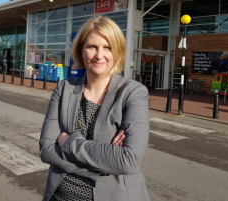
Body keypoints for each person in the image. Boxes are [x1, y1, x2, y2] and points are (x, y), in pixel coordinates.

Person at [39, 16, 150, 201]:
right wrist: (105, 161)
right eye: (92, 47)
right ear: (81, 50)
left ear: (118, 52)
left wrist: (68, 143)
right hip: (61, 196)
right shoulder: (64, 89)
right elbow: (46, 149)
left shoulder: (133, 92)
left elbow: (127, 160)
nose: (99, 55)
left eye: (107, 47)